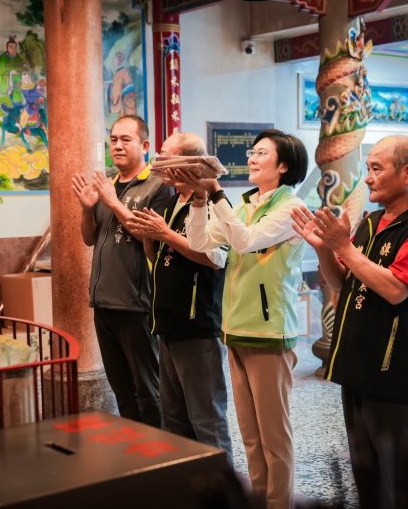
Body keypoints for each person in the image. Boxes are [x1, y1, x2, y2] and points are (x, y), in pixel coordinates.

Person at [291, 135, 408, 507]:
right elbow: (344, 282)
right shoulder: (371, 222)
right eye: (368, 168)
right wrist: (325, 249)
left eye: (376, 168)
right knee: (367, 478)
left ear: (407, 173)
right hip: (358, 367)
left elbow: (396, 289)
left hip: (395, 373)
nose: (368, 178)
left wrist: (342, 246)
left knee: (398, 482)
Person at [171, 128, 307, 509]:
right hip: (235, 329)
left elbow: (245, 240)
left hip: (269, 332)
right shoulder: (245, 205)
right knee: (250, 436)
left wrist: (216, 192)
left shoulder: (290, 208)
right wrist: (199, 200)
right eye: (252, 152)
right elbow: (201, 242)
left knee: (274, 438)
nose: (251, 158)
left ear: (283, 165)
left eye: (261, 153)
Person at [127, 131, 233, 456]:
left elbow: (215, 259)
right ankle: (188, 480)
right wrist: (150, 236)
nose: (159, 162)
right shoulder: (174, 201)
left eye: (166, 155)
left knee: (207, 419)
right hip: (168, 325)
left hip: (197, 327)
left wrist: (165, 234)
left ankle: (221, 483)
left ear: (189, 163)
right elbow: (159, 257)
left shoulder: (213, 203)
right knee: (174, 418)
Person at [71, 115, 171, 428]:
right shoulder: (108, 185)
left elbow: (151, 236)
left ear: (145, 145)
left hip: (136, 303)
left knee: (149, 391)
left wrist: (113, 202)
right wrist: (88, 209)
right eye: (113, 139)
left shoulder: (158, 187)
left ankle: (161, 450)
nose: (117, 146)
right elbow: (89, 238)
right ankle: (134, 447)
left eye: (126, 140)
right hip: (104, 302)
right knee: (122, 391)